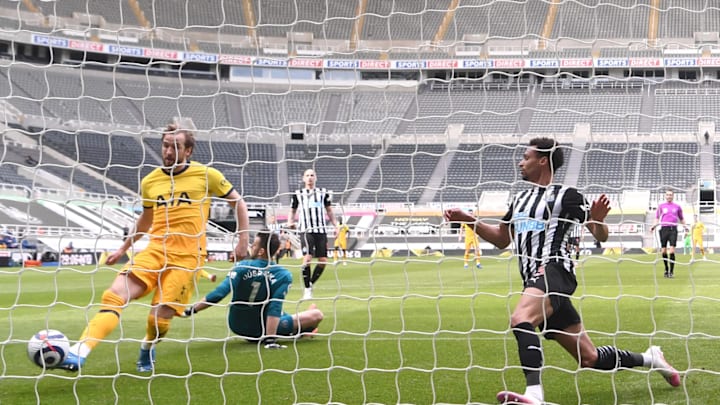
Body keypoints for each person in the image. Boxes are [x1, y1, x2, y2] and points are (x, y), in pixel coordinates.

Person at [444, 137, 680, 405]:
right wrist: (468, 220)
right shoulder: (520, 199)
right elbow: (501, 239)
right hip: (534, 281)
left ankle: (534, 394)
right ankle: (652, 358)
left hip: (555, 270)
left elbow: (600, 235)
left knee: (520, 318)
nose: (520, 163)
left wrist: (598, 220)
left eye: (526, 157)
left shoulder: (568, 196)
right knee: (590, 358)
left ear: (542, 160)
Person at [59, 123, 250, 373]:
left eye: (176, 146)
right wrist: (122, 248)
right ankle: (78, 351)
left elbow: (239, 203)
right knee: (114, 295)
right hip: (155, 250)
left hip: (188, 257)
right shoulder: (150, 181)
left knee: (157, 320)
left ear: (188, 151)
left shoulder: (207, 175)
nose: (169, 151)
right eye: (166, 145)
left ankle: (148, 346)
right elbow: (146, 220)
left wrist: (243, 240)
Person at [182, 230, 323, 347]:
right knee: (316, 315)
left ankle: (303, 327)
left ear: (261, 251)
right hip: (262, 330)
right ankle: (305, 327)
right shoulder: (283, 274)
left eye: (254, 245)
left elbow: (219, 293)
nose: (251, 247)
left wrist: (191, 310)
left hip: (237, 325)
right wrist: (270, 340)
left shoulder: (241, 266)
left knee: (282, 312)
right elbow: (274, 306)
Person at [288, 169, 338, 300]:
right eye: (307, 175)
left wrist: (336, 225)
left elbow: (329, 211)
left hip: (320, 230)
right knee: (307, 258)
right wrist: (290, 221)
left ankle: (310, 284)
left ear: (316, 178)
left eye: (312, 175)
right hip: (306, 230)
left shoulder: (323, 193)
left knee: (323, 261)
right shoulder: (298, 194)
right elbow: (292, 210)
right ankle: (307, 290)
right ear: (303, 179)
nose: (310, 178)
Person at [651, 190, 687, 278]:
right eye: (667, 195)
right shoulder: (661, 206)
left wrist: (685, 227)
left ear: (673, 196)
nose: (669, 196)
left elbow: (681, 218)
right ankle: (666, 269)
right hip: (664, 229)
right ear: (665, 196)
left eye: (670, 195)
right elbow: (657, 218)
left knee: (671, 250)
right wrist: (653, 226)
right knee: (663, 251)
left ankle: (671, 271)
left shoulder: (677, 207)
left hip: (673, 229)